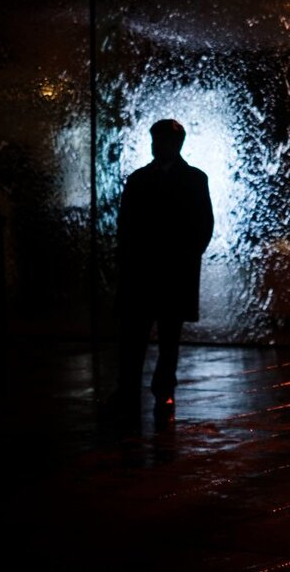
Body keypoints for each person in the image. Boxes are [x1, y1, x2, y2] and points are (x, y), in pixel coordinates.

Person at [108, 119, 214, 419]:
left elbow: (127, 225)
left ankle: (136, 391)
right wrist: (188, 255)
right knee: (159, 337)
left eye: (161, 141)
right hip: (165, 270)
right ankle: (159, 392)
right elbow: (203, 225)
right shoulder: (190, 179)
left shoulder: (141, 179)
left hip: (152, 269)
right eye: (157, 141)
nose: (157, 146)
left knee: (144, 336)